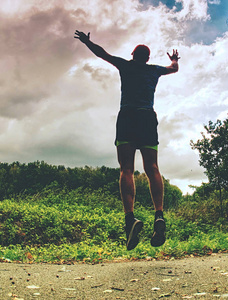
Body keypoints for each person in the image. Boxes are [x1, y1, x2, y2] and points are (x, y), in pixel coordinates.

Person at [74, 30, 179, 250]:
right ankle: (159, 215)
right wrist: (174, 59)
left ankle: (130, 218)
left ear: (132, 55)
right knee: (152, 167)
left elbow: (102, 54)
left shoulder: (126, 65)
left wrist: (87, 41)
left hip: (128, 117)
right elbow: (174, 69)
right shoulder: (154, 71)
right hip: (147, 117)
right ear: (148, 59)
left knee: (126, 170)